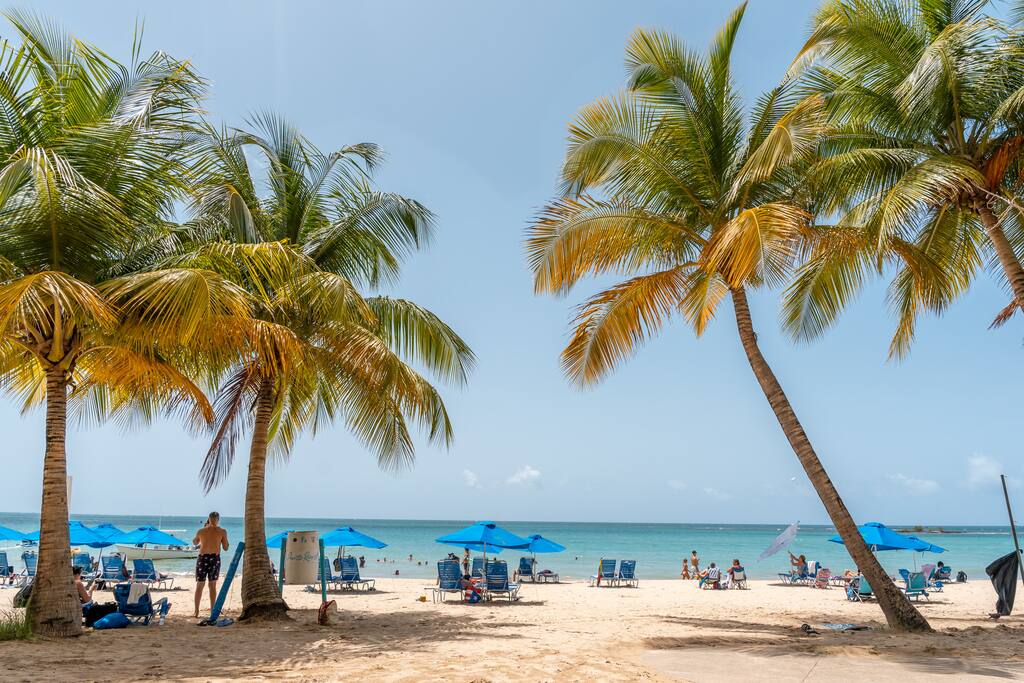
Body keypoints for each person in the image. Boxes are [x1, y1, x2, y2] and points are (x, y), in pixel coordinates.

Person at [193, 511, 229, 618]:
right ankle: (210, 610)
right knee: (210, 585)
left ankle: (197, 611)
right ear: (218, 519)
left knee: (201, 585)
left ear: (209, 519)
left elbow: (195, 542)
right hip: (212, 558)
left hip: (204, 558)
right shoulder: (222, 531)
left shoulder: (202, 531)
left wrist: (202, 534)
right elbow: (226, 548)